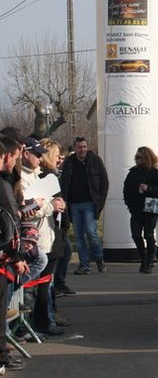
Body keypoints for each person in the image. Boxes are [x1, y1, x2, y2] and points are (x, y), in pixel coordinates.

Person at [18, 137, 66, 336]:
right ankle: (27, 326)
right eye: (37, 154)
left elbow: (40, 203)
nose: (40, 158)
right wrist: (49, 206)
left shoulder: (38, 175)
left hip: (47, 235)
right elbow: (27, 208)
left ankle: (41, 322)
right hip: (33, 239)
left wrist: (56, 204)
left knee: (43, 284)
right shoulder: (22, 177)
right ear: (25, 153)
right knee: (30, 287)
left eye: (41, 154)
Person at [59, 136, 109, 275]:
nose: (83, 150)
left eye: (84, 147)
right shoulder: (69, 162)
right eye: (80, 147)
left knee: (91, 232)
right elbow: (64, 182)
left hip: (90, 203)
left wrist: (100, 200)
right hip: (74, 204)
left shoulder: (95, 161)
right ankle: (84, 265)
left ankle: (99, 258)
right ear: (75, 148)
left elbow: (104, 181)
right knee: (79, 235)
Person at [0, 133, 27, 372]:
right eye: (16, 158)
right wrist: (16, 256)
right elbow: (10, 221)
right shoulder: (3, 183)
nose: (16, 163)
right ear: (7, 155)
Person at [39, 139, 75, 298]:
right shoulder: (48, 176)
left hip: (57, 225)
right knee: (50, 269)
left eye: (61, 157)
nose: (59, 159)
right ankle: (50, 306)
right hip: (52, 226)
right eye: (57, 156)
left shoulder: (50, 174)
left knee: (65, 251)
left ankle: (56, 289)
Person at [123, 146, 158, 274]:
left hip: (150, 208)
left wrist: (149, 189)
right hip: (136, 209)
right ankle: (143, 257)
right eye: (135, 157)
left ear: (146, 158)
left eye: (139, 157)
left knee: (148, 234)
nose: (136, 160)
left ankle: (149, 260)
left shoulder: (155, 172)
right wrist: (129, 203)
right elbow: (126, 189)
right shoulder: (133, 173)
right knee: (136, 234)